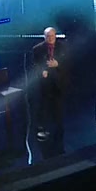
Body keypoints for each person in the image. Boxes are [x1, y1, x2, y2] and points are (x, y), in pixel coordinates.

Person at [32, 26, 66, 157]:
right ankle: (43, 130)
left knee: (58, 107)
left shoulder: (63, 47)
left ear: (55, 36)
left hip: (58, 82)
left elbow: (69, 62)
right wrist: (42, 71)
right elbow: (34, 65)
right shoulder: (37, 49)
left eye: (52, 36)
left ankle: (59, 133)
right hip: (44, 84)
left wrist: (58, 64)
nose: (50, 39)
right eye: (48, 37)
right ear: (44, 37)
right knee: (44, 106)